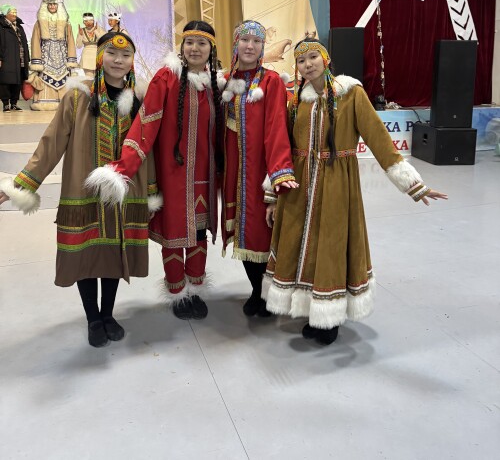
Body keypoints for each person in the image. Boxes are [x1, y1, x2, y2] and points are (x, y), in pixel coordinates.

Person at [263, 38, 447, 345]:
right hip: (299, 186)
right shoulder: (296, 101)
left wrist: (413, 185)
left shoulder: (351, 94)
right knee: (300, 244)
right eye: (301, 60)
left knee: (331, 244)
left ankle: (329, 317)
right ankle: (309, 308)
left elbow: (378, 139)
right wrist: (273, 193)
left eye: (313, 57)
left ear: (326, 59)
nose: (308, 64)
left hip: (337, 183)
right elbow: (283, 148)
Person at [0, 32, 161, 348]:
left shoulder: (139, 100)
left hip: (125, 192)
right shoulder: (77, 97)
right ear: (99, 57)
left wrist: (152, 190)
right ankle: (93, 319)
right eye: (112, 54)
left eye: (126, 55)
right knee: (86, 254)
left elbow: (148, 149)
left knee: (114, 253)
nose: (118, 60)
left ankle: (108, 314)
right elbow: (51, 143)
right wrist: (21, 183)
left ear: (132, 60)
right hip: (82, 190)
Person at [86, 21, 222, 321]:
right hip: (172, 177)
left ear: (211, 49)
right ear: (182, 47)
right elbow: (146, 123)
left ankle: (195, 288)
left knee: (198, 235)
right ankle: (177, 292)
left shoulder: (215, 84)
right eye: (189, 42)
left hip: (204, 178)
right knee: (174, 235)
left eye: (202, 43)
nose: (195, 48)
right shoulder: (167, 77)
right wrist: (123, 167)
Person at [221, 20, 298, 317]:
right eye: (245, 40)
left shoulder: (271, 81)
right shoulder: (226, 80)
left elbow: (277, 131)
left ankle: (266, 293)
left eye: (257, 41)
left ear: (263, 47)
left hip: (259, 173)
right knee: (241, 235)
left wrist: (275, 182)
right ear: (236, 44)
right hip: (234, 174)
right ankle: (257, 290)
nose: (250, 46)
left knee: (260, 234)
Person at [28, 0, 78, 111]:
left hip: (62, 56)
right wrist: (37, 61)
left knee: (63, 76)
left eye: (54, 4)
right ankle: (45, 101)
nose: (52, 6)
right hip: (46, 55)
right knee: (45, 75)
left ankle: (64, 102)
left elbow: (70, 42)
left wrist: (71, 60)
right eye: (49, 4)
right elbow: (35, 42)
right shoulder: (39, 23)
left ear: (58, 5)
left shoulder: (66, 23)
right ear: (46, 5)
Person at [0, 4, 30, 111]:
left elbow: (24, 43)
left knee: (18, 80)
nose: (14, 14)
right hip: (7, 58)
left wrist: (27, 58)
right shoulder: (2, 26)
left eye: (15, 12)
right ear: (5, 14)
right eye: (12, 12)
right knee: (6, 80)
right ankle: (5, 103)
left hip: (20, 59)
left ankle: (14, 103)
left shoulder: (19, 27)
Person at [76, 12, 106, 77]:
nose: (88, 23)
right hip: (86, 56)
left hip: (98, 53)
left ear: (93, 21)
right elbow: (79, 46)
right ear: (83, 22)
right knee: (89, 78)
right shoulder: (82, 30)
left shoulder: (99, 29)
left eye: (90, 20)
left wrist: (96, 31)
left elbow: (104, 41)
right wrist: (80, 35)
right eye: (86, 21)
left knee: (98, 78)